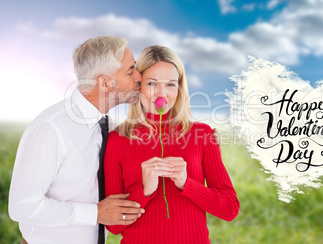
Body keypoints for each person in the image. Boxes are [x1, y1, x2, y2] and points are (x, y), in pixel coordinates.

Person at [8, 36, 145, 244]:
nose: (139, 77)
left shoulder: (106, 123)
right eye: (130, 71)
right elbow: (22, 206)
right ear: (105, 82)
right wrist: (95, 213)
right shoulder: (52, 128)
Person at [104, 45, 240, 243]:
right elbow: (114, 226)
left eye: (170, 84)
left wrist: (187, 184)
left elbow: (230, 209)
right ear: (138, 85)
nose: (162, 94)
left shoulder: (202, 134)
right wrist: (145, 190)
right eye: (152, 84)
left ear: (179, 87)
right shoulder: (118, 140)